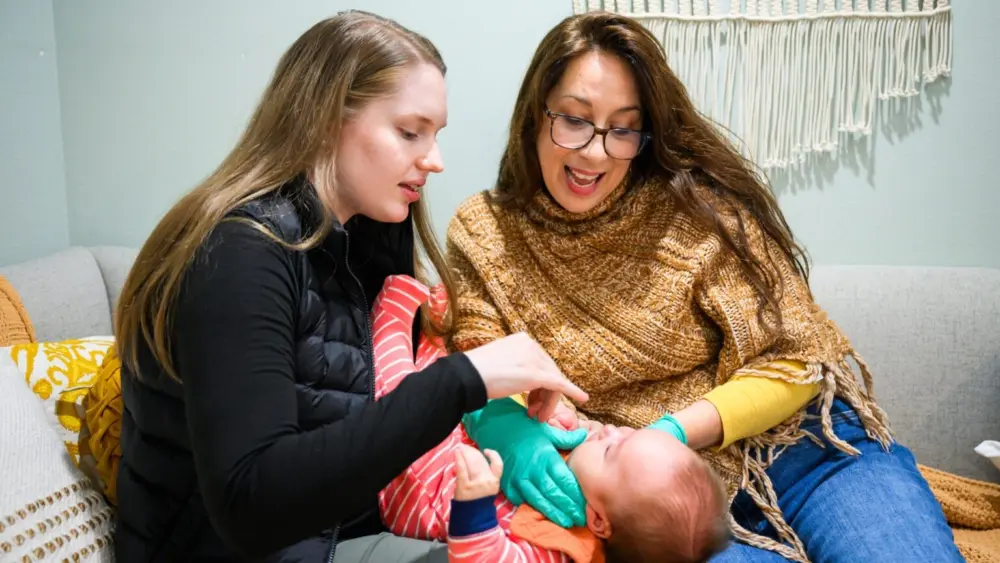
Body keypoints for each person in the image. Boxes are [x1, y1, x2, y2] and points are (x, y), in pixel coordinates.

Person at [445, 11, 964, 563]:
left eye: (622, 128)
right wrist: (507, 428)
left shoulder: (697, 208)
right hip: (656, 511)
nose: (595, 153)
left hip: (800, 449)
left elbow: (796, 360)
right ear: (534, 115)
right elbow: (474, 360)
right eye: (573, 120)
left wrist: (668, 433)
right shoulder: (484, 233)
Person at [112, 11, 586, 562]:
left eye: (435, 135)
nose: (435, 160)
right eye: (410, 132)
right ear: (325, 119)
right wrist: (465, 382)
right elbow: (250, 505)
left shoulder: (361, 242)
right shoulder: (241, 255)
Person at [368, 274, 729, 563]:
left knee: (406, 397)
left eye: (611, 451)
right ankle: (430, 325)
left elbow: (482, 556)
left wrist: (474, 503)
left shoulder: (559, 551)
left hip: (420, 486)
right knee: (451, 361)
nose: (611, 433)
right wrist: (563, 424)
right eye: (628, 433)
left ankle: (391, 321)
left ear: (598, 521)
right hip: (466, 450)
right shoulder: (599, 484)